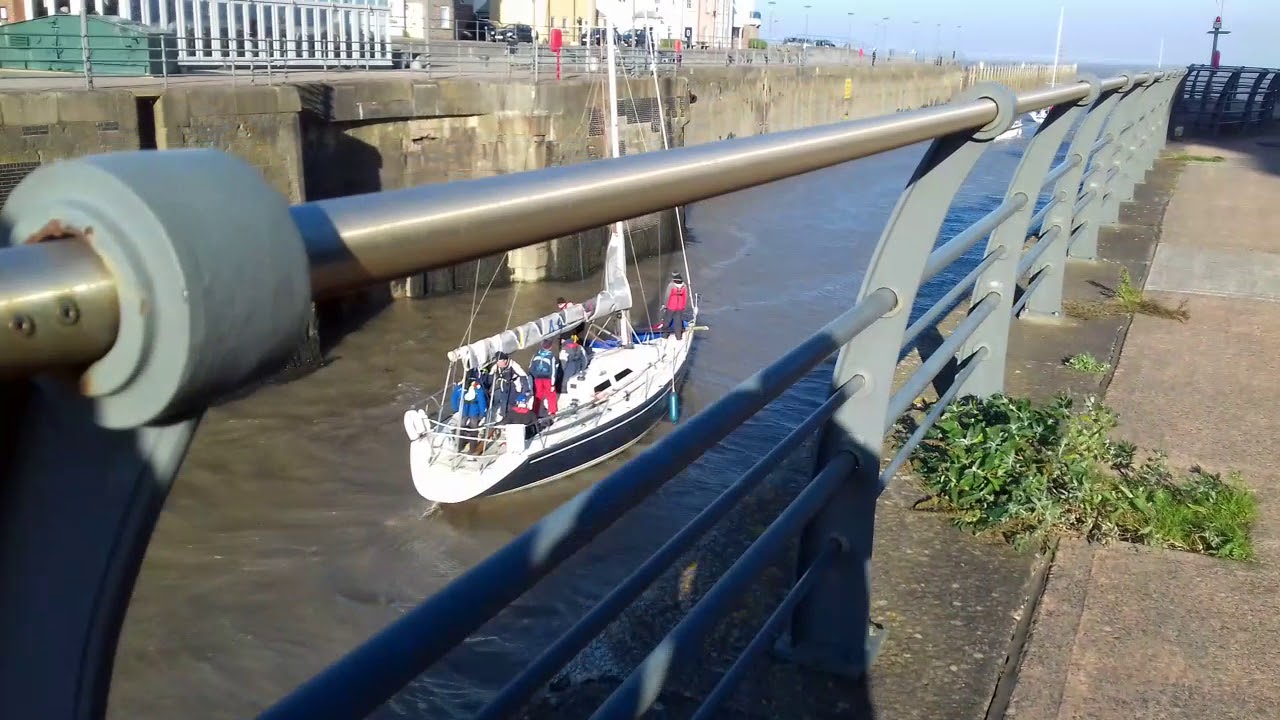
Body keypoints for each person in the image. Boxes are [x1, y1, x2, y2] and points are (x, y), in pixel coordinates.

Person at [450, 371, 488, 454]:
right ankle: (472, 448)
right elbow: (482, 401)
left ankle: (459, 446)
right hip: (474, 411)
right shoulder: (477, 388)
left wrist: (456, 409)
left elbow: (454, 399)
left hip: (464, 411)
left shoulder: (460, 387)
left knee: (461, 427)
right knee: (473, 429)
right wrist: (482, 413)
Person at [486, 351, 529, 424]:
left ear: (505, 361)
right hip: (504, 386)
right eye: (497, 362)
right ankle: (504, 417)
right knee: (503, 403)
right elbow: (490, 377)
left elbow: (523, 376)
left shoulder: (513, 365)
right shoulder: (496, 366)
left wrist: (526, 390)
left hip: (513, 387)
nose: (498, 364)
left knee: (511, 404)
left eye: (500, 362)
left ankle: (512, 419)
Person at [529, 339, 560, 416]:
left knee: (538, 395)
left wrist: (534, 377)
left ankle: (535, 411)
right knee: (551, 395)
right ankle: (552, 411)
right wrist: (553, 384)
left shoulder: (536, 355)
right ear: (551, 346)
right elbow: (553, 370)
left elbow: (531, 368)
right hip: (547, 379)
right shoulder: (551, 357)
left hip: (537, 378)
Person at [660, 271, 690, 340]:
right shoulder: (684, 286)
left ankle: (665, 335)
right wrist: (683, 306)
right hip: (680, 307)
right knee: (678, 322)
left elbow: (667, 296)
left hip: (671, 306)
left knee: (667, 321)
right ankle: (678, 337)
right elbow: (686, 297)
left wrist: (665, 305)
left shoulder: (671, 285)